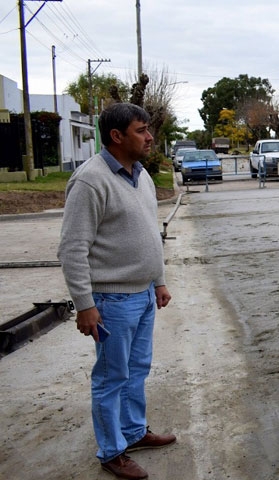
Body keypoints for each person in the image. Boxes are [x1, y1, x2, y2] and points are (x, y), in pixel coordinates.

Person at [58, 102, 176, 479]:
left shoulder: (140, 175)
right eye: (141, 130)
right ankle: (112, 451)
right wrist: (85, 305)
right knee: (111, 378)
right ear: (116, 136)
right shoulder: (90, 180)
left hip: (142, 295)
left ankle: (133, 431)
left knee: (136, 370)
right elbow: (72, 248)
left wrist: (157, 281)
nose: (149, 136)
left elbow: (149, 234)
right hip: (111, 301)